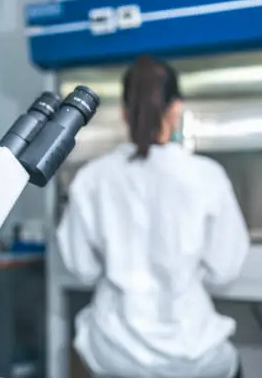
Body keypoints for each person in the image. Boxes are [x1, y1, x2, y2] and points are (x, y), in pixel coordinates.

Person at [57, 55, 250, 378]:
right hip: (192, 355)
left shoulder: (92, 177)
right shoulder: (206, 175)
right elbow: (225, 269)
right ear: (176, 109)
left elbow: (82, 269)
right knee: (228, 363)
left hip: (115, 353)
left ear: (123, 113)